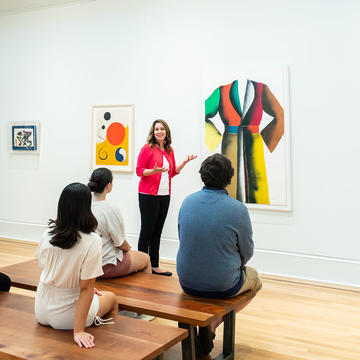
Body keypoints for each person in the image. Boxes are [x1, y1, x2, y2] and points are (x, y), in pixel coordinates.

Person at [177, 153, 262, 355]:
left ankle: (209, 324)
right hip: (223, 284)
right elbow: (247, 251)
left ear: (203, 175)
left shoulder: (187, 202)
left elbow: (183, 239)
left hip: (187, 281)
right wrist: (232, 264)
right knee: (256, 280)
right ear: (229, 178)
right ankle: (214, 323)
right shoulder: (238, 209)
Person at [35, 183, 117, 349]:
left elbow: (46, 267)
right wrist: (78, 331)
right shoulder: (92, 240)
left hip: (41, 309)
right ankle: (112, 345)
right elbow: (86, 289)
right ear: (87, 207)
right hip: (68, 316)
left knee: (92, 293)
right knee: (112, 299)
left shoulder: (48, 233)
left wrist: (77, 284)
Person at [136, 119, 196, 276]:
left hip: (164, 195)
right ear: (153, 132)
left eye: (162, 129)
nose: (159, 131)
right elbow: (139, 171)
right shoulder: (147, 149)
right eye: (156, 129)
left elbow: (171, 173)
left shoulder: (170, 150)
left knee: (157, 231)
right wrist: (153, 171)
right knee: (147, 231)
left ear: (166, 132)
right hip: (148, 195)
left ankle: (154, 265)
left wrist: (183, 163)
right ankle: (142, 266)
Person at [88, 167, 152, 278]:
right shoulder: (110, 209)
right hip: (105, 265)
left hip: (87, 265)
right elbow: (121, 244)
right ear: (108, 185)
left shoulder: (82, 203)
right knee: (146, 258)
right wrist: (129, 250)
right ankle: (146, 294)